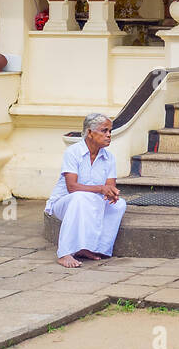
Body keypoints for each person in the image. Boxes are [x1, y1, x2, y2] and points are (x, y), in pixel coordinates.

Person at [45, 113, 127, 268]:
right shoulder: (73, 152)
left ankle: (93, 248)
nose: (109, 135)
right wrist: (101, 189)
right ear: (90, 132)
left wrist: (112, 194)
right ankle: (65, 253)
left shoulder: (109, 158)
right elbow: (72, 187)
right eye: (104, 131)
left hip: (91, 201)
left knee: (119, 205)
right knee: (80, 197)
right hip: (65, 203)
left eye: (110, 131)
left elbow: (110, 186)